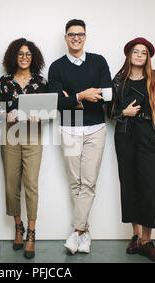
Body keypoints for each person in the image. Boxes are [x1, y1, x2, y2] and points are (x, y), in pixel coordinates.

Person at [48, 19, 113, 255]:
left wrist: (73, 97)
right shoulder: (56, 67)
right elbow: (57, 102)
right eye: (71, 34)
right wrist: (84, 94)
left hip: (95, 127)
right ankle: (85, 233)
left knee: (89, 182)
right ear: (65, 38)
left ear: (86, 37)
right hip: (70, 126)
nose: (76, 37)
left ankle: (76, 232)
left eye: (80, 34)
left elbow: (105, 95)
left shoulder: (99, 61)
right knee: (75, 183)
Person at [110, 37, 155, 263]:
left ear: (147, 57)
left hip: (149, 135)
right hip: (125, 135)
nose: (139, 55)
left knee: (149, 188)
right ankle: (135, 237)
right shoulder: (119, 79)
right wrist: (122, 114)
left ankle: (147, 241)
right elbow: (109, 109)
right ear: (129, 55)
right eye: (135, 51)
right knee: (129, 185)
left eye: (143, 52)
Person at [0, 38, 48, 259]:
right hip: (10, 135)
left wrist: (41, 116)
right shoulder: (4, 81)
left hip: (33, 136)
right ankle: (18, 227)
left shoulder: (41, 82)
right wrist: (5, 114)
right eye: (20, 54)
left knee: (31, 185)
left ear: (33, 57)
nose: (24, 57)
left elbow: (49, 113)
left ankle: (31, 233)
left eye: (28, 54)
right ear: (13, 57)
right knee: (11, 185)